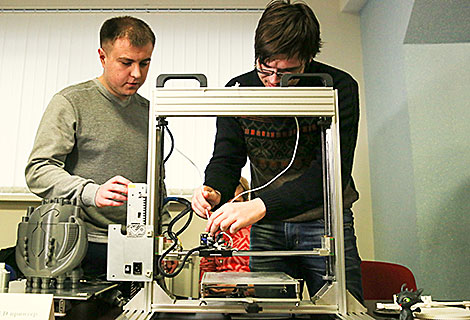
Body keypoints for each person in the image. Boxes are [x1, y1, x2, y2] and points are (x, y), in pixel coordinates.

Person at [191, 0, 363, 301]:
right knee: (269, 310)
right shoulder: (238, 91)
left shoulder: (339, 87)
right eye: (265, 69)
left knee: (345, 306)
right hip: (267, 228)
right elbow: (227, 158)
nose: (272, 83)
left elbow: (329, 173)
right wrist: (213, 190)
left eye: (286, 73)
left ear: (308, 58)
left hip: (325, 220)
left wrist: (259, 205)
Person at [25, 16, 161, 280]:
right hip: (77, 245)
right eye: (126, 63)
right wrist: (91, 192)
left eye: (144, 63)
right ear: (102, 56)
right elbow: (38, 170)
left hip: (136, 246)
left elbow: (158, 182)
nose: (137, 74)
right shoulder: (71, 102)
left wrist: (162, 234)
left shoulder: (150, 112)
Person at [199, 177, 251, 279]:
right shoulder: (215, 233)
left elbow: (266, 276)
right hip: (219, 289)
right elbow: (206, 269)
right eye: (227, 203)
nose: (230, 210)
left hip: (248, 289)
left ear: (246, 202)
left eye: (236, 203)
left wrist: (236, 287)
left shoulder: (258, 232)